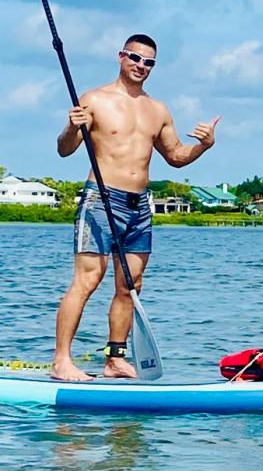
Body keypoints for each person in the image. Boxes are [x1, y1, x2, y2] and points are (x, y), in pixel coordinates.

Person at [51, 35, 221, 382]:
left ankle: (115, 358)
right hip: (101, 199)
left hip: (139, 205)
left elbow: (175, 157)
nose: (141, 66)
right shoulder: (95, 99)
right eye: (135, 58)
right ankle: (62, 361)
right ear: (121, 57)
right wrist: (72, 126)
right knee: (87, 280)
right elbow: (64, 150)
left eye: (149, 62)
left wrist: (203, 146)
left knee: (130, 285)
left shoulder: (157, 109)